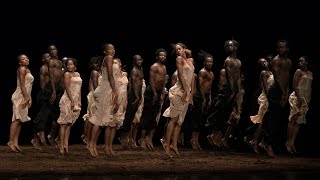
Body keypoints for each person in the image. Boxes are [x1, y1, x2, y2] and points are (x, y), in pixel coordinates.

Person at [162, 42, 195, 158]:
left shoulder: (190, 61)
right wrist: (186, 90)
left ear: (184, 49)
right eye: (176, 50)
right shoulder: (179, 59)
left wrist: (191, 94)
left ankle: (174, 145)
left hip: (187, 92)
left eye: (180, 49)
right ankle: (166, 145)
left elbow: (192, 78)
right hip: (179, 91)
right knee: (174, 119)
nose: (178, 51)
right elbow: (180, 75)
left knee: (180, 121)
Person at [260, 40, 292, 157]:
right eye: (279, 47)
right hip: (275, 91)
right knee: (274, 119)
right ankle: (267, 144)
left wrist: (287, 93)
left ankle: (267, 142)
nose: (281, 49)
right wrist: (283, 93)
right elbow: (277, 78)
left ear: (287, 49)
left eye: (283, 47)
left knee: (279, 120)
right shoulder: (275, 60)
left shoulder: (289, 61)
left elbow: (287, 78)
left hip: (283, 92)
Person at [87, 43, 118, 157]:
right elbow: (110, 75)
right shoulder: (108, 58)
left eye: (113, 48)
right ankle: (91, 145)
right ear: (105, 51)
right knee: (98, 119)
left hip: (108, 89)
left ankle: (94, 145)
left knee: (103, 121)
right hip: (105, 89)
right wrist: (114, 90)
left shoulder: (111, 59)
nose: (112, 50)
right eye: (110, 49)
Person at [139, 48, 167, 150]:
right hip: (151, 92)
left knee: (154, 116)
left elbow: (163, 81)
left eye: (164, 55)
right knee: (146, 115)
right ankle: (141, 139)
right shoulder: (154, 66)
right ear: (157, 57)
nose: (163, 57)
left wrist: (162, 93)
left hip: (158, 92)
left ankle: (148, 138)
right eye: (161, 55)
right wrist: (155, 93)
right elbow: (151, 80)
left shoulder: (164, 67)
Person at [246, 58, 274, 154]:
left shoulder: (271, 72)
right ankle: (255, 141)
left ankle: (257, 141)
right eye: (262, 63)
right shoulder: (263, 73)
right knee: (261, 121)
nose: (264, 63)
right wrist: (270, 99)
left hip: (269, 97)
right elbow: (265, 88)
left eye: (265, 61)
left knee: (264, 121)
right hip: (266, 97)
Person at [286, 56, 313, 154]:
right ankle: (288, 142)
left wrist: (307, 100)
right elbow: (294, 85)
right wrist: (299, 98)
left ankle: (292, 142)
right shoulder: (298, 71)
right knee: (293, 119)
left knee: (299, 121)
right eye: (299, 61)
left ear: (307, 62)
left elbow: (309, 87)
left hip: (306, 99)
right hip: (297, 98)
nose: (299, 63)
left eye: (302, 61)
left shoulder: (310, 73)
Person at [8, 54, 34, 152]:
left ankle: (15, 143)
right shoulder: (21, 69)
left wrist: (29, 98)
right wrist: (26, 98)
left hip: (26, 96)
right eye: (23, 59)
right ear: (20, 62)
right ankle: (10, 141)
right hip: (19, 96)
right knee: (16, 119)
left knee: (20, 121)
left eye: (27, 58)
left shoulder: (28, 70)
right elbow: (22, 85)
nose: (26, 59)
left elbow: (29, 86)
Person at [103, 57, 128, 157]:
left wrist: (125, 101)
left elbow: (125, 89)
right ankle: (106, 146)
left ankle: (110, 147)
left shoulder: (125, 74)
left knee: (115, 125)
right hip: (113, 101)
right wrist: (116, 103)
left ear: (120, 64)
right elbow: (112, 91)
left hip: (122, 101)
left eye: (116, 62)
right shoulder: (112, 77)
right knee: (110, 125)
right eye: (112, 63)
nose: (114, 64)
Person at [57, 58, 82, 155]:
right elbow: (67, 88)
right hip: (67, 100)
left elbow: (79, 89)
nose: (70, 66)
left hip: (75, 100)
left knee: (69, 124)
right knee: (63, 123)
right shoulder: (67, 74)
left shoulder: (78, 74)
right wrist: (72, 100)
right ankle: (61, 145)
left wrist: (79, 100)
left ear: (74, 65)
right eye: (68, 65)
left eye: (71, 64)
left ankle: (66, 145)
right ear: (66, 66)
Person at [118, 55, 144, 148]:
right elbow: (133, 84)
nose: (139, 61)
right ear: (134, 61)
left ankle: (125, 138)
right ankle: (122, 137)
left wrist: (140, 96)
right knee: (128, 117)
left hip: (137, 95)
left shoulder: (141, 70)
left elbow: (140, 84)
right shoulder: (134, 70)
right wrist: (137, 97)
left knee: (131, 116)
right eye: (137, 60)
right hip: (133, 94)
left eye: (140, 59)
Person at [190, 50, 214, 151]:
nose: (210, 63)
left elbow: (210, 88)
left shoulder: (212, 74)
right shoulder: (202, 72)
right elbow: (200, 86)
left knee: (201, 120)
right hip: (199, 97)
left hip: (206, 97)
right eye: (208, 61)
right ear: (204, 62)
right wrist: (204, 99)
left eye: (211, 62)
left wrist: (209, 99)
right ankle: (193, 139)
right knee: (196, 119)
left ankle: (196, 139)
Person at [31, 53, 51, 150]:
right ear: (43, 59)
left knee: (45, 117)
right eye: (47, 57)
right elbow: (42, 84)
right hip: (44, 94)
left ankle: (39, 136)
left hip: (50, 94)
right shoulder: (44, 68)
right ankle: (36, 137)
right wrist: (46, 95)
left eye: (50, 56)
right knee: (41, 117)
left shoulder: (52, 67)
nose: (49, 58)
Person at [81, 56, 102, 145]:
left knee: (96, 118)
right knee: (91, 117)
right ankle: (86, 137)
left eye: (97, 63)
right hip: (94, 96)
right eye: (94, 63)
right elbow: (96, 86)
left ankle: (89, 138)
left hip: (99, 96)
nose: (95, 65)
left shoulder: (101, 73)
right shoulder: (94, 72)